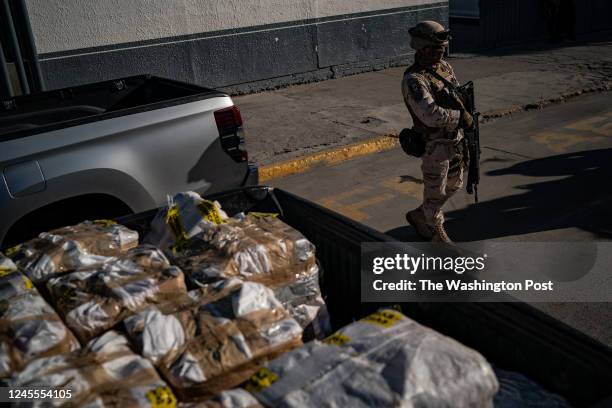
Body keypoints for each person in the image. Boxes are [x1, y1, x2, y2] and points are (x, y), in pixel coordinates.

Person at [402, 21, 474, 243]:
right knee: (435, 189)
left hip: (456, 140)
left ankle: (420, 214)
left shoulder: (443, 67)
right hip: (435, 146)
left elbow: (457, 94)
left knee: (455, 183)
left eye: (442, 49)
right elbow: (430, 114)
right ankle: (435, 233)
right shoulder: (414, 80)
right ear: (423, 48)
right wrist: (460, 118)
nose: (441, 53)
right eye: (437, 49)